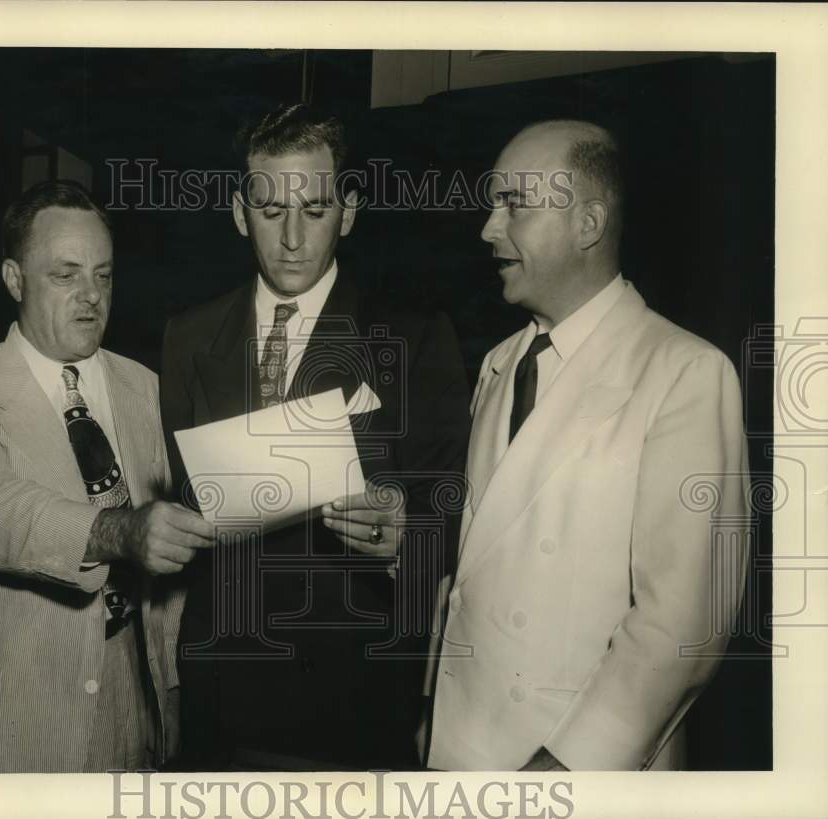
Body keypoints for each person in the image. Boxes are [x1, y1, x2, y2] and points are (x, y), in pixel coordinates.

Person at [424, 120, 750, 771]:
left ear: (588, 224)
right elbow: (469, 572)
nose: (488, 228)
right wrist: (433, 710)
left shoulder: (684, 372)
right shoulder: (498, 364)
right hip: (462, 753)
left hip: (579, 769)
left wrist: (570, 766)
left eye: (513, 204)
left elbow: (682, 624)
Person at [161, 103, 471, 770]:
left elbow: (454, 511)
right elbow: (190, 499)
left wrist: (407, 535)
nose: (293, 238)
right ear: (240, 213)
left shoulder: (415, 336)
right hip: (221, 700)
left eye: (316, 209)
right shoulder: (187, 337)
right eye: (272, 211)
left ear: (348, 213)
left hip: (354, 705)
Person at [0, 180, 214, 773]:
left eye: (103, 275)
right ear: (14, 279)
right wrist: (120, 532)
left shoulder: (149, 389)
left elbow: (173, 549)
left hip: (127, 719)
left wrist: (167, 691)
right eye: (65, 275)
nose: (90, 295)